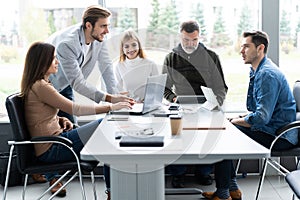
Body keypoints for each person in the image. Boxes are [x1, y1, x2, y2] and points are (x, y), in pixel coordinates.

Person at [20, 42, 132, 198]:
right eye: (53, 59)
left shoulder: (41, 85)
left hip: (57, 142)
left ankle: (113, 191)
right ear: (42, 62)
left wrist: (60, 120)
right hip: (53, 149)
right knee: (103, 125)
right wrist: (111, 107)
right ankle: (113, 191)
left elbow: (39, 115)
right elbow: (75, 109)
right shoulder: (41, 86)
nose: (57, 62)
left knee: (107, 140)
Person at [162, 20, 228, 188]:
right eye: (186, 40)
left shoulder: (211, 57)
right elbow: (165, 89)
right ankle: (178, 173)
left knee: (207, 135)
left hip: (206, 105)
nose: (190, 44)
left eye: (194, 40)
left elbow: (221, 87)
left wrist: (215, 103)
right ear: (180, 37)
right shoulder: (171, 58)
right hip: (181, 104)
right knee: (176, 135)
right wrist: (174, 99)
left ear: (199, 37)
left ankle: (204, 172)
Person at [46, 5, 133, 124]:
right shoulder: (68, 44)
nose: (107, 31)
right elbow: (78, 83)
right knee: (65, 128)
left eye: (108, 26)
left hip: (65, 84)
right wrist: (110, 99)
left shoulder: (98, 37)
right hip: (50, 85)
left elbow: (106, 65)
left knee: (70, 126)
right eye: (103, 26)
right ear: (88, 25)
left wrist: (115, 95)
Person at [230, 31, 298, 151]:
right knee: (229, 127)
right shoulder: (258, 71)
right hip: (271, 129)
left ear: (260, 48)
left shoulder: (267, 75)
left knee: (228, 132)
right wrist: (240, 117)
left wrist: (235, 121)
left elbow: (261, 118)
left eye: (246, 46)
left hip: (279, 136)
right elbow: (261, 109)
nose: (241, 51)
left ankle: (215, 170)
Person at [114, 29, 159, 102]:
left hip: (147, 105)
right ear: (122, 49)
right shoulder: (119, 66)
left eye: (134, 45)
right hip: (128, 105)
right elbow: (118, 91)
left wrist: (146, 101)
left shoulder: (150, 64)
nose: (131, 49)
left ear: (139, 45)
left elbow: (157, 89)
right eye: (126, 46)